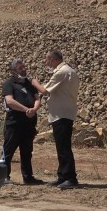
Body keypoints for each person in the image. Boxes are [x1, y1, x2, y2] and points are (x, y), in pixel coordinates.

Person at [31, 50, 80, 189]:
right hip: (63, 113)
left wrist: (35, 83)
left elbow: (44, 90)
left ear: (53, 59)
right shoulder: (69, 71)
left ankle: (70, 178)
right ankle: (62, 176)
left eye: (47, 60)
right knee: (61, 146)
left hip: (62, 114)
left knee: (64, 147)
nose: (46, 63)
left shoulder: (62, 72)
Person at [2, 59, 44, 185]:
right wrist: (26, 109)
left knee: (27, 151)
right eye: (21, 68)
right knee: (8, 150)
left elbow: (37, 98)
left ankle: (28, 177)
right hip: (14, 123)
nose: (24, 69)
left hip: (29, 123)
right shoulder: (9, 84)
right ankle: (4, 176)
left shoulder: (29, 83)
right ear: (13, 71)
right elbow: (9, 101)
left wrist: (34, 109)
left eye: (24, 67)